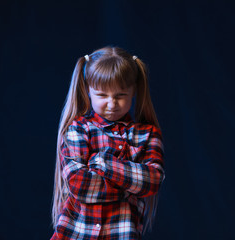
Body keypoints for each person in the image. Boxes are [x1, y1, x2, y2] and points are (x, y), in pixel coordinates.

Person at [51, 46, 165, 240]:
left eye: (121, 95)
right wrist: (129, 189)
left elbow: (152, 180)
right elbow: (79, 184)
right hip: (74, 234)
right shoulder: (78, 129)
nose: (112, 104)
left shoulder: (147, 135)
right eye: (102, 95)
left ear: (134, 91)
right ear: (88, 91)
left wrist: (103, 162)